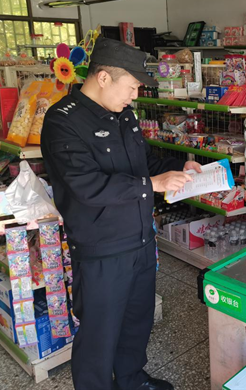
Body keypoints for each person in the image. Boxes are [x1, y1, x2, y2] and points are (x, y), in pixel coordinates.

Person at [41, 38, 201, 390]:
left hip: (140, 239)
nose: (134, 95)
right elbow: (87, 186)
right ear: (103, 78)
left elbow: (144, 164)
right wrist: (153, 184)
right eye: (131, 87)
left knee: (136, 321)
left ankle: (131, 379)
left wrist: (178, 168)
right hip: (102, 247)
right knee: (100, 332)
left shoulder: (124, 115)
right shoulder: (62, 121)